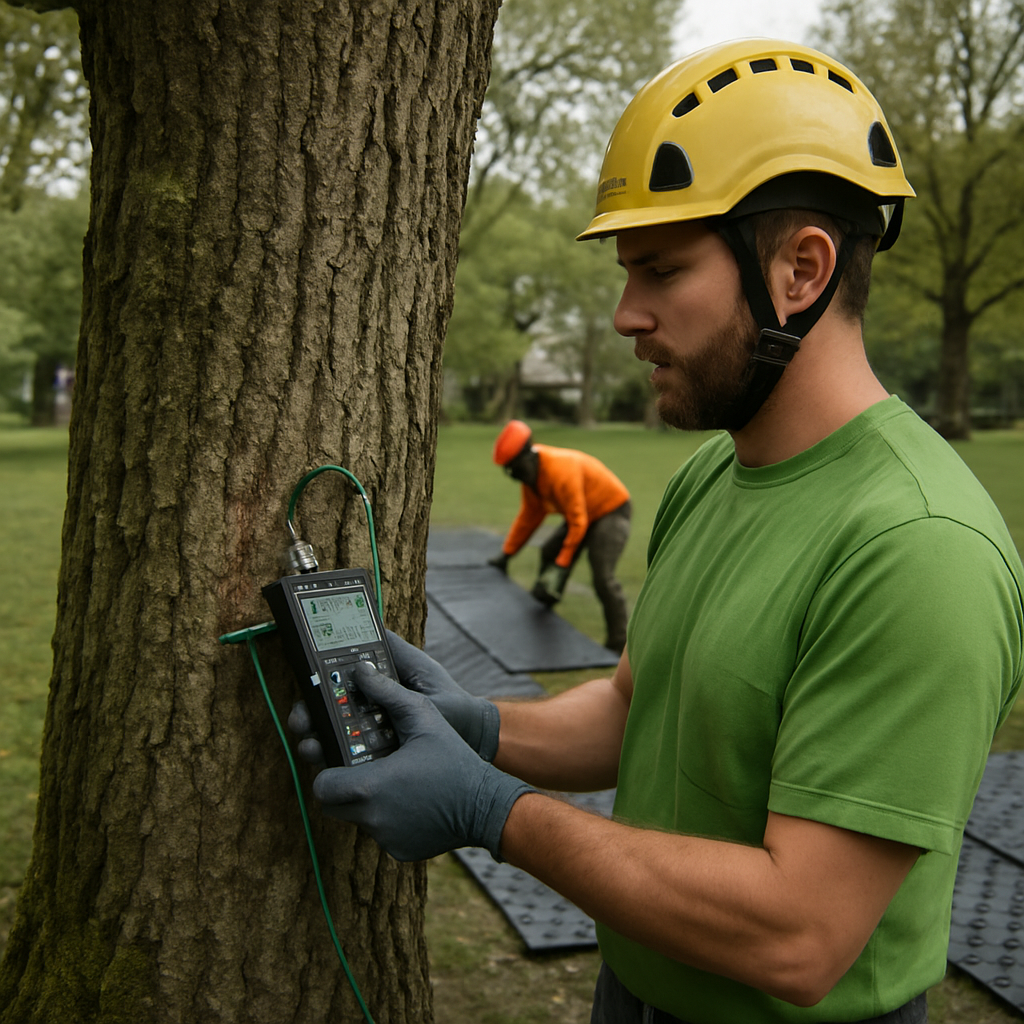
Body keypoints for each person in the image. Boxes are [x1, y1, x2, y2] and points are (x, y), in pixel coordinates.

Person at [292, 39, 1024, 1023]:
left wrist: (489, 811)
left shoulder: (917, 547)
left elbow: (799, 932)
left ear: (799, 269)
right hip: (631, 990)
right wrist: (477, 725)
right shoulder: (711, 476)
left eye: (662, 269)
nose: (624, 315)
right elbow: (637, 708)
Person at [488, 419, 632, 653]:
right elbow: (529, 518)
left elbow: (578, 522)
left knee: (602, 576)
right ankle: (544, 600)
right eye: (511, 472)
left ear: (529, 457)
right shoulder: (533, 478)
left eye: (517, 469)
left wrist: (563, 563)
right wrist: (506, 554)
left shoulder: (560, 470)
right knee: (549, 551)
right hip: (586, 514)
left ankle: (619, 642)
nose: (516, 476)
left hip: (611, 512)